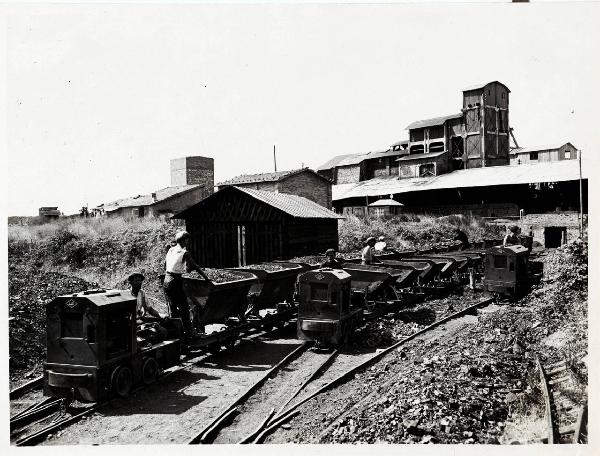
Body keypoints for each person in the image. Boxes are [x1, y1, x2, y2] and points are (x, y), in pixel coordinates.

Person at [163, 231, 209, 340]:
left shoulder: (170, 249)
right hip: (175, 281)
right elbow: (195, 266)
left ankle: (176, 333)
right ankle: (190, 333)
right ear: (184, 240)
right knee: (184, 308)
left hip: (166, 280)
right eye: (187, 240)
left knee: (173, 309)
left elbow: (165, 265)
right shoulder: (184, 252)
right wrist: (206, 278)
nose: (188, 242)